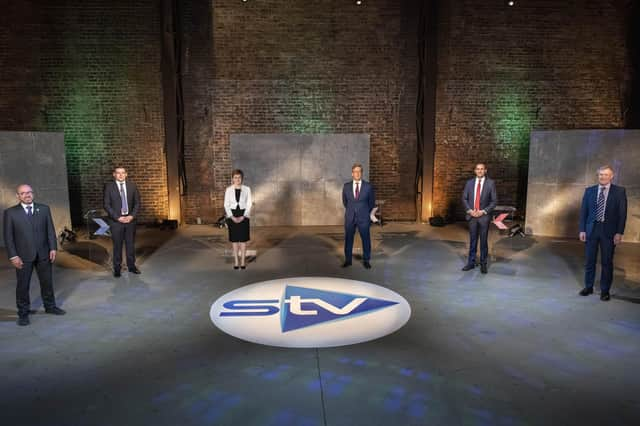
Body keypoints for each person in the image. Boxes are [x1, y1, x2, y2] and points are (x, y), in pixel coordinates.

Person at [3, 184, 66, 326]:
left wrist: (53, 248)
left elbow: (50, 230)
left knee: (47, 282)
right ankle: (23, 313)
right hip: (23, 256)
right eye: (23, 193)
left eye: (29, 192)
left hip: (44, 253)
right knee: (23, 285)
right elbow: (8, 237)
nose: (27, 195)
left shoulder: (43, 209)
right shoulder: (11, 213)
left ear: (33, 194)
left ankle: (50, 306)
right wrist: (13, 256)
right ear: (18, 196)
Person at [578, 165, 627, 301]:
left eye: (606, 175)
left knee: (606, 262)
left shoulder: (619, 192)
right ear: (598, 175)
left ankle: (605, 291)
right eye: (600, 174)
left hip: (609, 232)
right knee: (589, 261)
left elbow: (622, 214)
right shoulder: (589, 191)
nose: (603, 177)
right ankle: (588, 287)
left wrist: (619, 232)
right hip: (591, 230)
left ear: (611, 176)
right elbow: (583, 212)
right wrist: (582, 229)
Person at [104, 167, 141, 277]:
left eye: (123, 173)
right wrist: (117, 217)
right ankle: (117, 268)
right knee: (117, 245)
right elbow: (106, 204)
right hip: (116, 221)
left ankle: (131, 266)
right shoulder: (109, 187)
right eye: (118, 173)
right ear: (114, 174)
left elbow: (137, 203)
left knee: (130, 245)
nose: (120, 175)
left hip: (130, 221)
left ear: (126, 174)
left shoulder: (132, 186)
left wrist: (131, 216)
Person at [461, 163, 497, 274]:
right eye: (478, 169)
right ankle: (471, 263)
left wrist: (483, 211)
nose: (480, 171)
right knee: (473, 240)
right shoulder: (469, 183)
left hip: (484, 217)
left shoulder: (491, 183)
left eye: (482, 169)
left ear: (485, 170)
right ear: (475, 171)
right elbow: (464, 199)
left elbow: (494, 201)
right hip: (472, 216)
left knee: (483, 241)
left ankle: (483, 264)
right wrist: (470, 211)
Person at [342, 163, 376, 269]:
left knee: (365, 238)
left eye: (359, 171)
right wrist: (352, 210)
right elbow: (345, 202)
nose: (357, 173)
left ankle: (366, 260)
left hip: (363, 217)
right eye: (355, 171)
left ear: (361, 173)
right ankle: (348, 260)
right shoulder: (346, 186)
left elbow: (371, 202)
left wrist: (365, 212)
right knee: (348, 238)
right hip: (350, 217)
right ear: (352, 174)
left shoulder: (368, 186)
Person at [223, 169, 252, 269]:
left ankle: (243, 262)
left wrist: (244, 216)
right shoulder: (228, 190)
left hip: (244, 215)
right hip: (232, 214)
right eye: (235, 177)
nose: (237, 179)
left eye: (239, 177)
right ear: (232, 179)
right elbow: (226, 205)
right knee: (235, 240)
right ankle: (236, 261)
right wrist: (231, 217)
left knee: (243, 240)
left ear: (242, 179)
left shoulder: (247, 189)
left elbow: (249, 204)